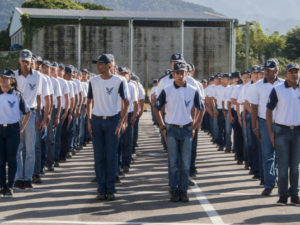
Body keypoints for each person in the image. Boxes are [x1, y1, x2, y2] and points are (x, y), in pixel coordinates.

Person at [154, 61, 204, 202]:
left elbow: (201, 108)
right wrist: (162, 127)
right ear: (173, 74)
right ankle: (174, 190)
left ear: (187, 74)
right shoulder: (167, 90)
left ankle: (183, 190)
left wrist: (196, 125)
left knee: (185, 162)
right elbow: (156, 108)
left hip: (187, 129)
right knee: (173, 162)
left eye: (183, 72)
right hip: (171, 129)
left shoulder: (193, 90)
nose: (181, 75)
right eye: (178, 72)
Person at [87, 54, 129, 201]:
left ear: (109, 65)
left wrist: (121, 122)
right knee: (99, 158)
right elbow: (89, 101)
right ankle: (101, 188)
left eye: (101, 64)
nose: (98, 67)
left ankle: (110, 189)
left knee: (111, 157)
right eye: (97, 64)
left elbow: (126, 102)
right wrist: (89, 121)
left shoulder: (119, 81)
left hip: (112, 121)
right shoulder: (93, 81)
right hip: (97, 121)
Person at [14, 50, 50, 189]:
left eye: (27, 62)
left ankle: (28, 178)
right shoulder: (14, 75)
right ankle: (18, 178)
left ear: (32, 62)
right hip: (16, 115)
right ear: (19, 61)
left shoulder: (39, 77)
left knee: (30, 149)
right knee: (18, 148)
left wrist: (45, 117)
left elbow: (46, 97)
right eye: (23, 61)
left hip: (32, 113)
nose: (25, 64)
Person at [266, 63, 300, 206]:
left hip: (298, 131)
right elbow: (268, 111)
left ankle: (294, 195)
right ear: (285, 74)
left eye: (297, 72)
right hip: (281, 131)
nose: (294, 74)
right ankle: (283, 195)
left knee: (295, 166)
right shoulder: (277, 89)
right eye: (291, 72)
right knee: (283, 166)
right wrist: (270, 132)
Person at [250, 58, 284, 196]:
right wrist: (255, 126)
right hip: (264, 123)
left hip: (282, 123)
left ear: (276, 70)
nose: (266, 72)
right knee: (267, 154)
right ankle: (269, 184)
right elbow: (254, 108)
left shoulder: (284, 84)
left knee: (281, 155)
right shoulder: (257, 86)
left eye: (269, 70)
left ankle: (280, 182)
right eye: (265, 70)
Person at [0, 69, 31, 197]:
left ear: (12, 81)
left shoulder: (17, 96)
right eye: (1, 78)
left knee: (12, 160)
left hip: (13, 130)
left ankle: (10, 185)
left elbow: (27, 112)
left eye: (5, 78)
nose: (2, 81)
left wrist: (22, 129)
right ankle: (3, 186)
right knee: (1, 161)